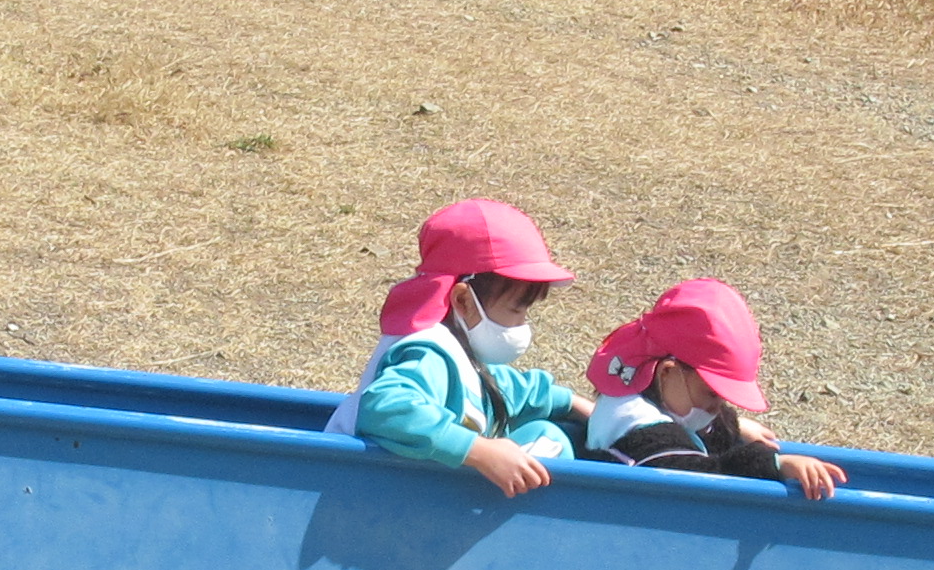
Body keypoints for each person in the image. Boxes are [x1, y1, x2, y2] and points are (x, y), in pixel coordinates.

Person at [329, 198, 591, 498]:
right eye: (516, 310)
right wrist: (480, 452)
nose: (522, 324)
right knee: (548, 446)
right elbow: (384, 407)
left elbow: (503, 389)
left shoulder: (461, 352)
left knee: (548, 435)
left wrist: (573, 403)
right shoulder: (429, 354)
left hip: (408, 494)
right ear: (463, 300)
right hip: (366, 491)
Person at [583, 279, 846, 500]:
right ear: (667, 372)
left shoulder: (658, 396)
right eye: (711, 394)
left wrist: (733, 426)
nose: (716, 408)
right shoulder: (639, 428)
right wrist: (773, 464)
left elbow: (694, 426)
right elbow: (702, 476)